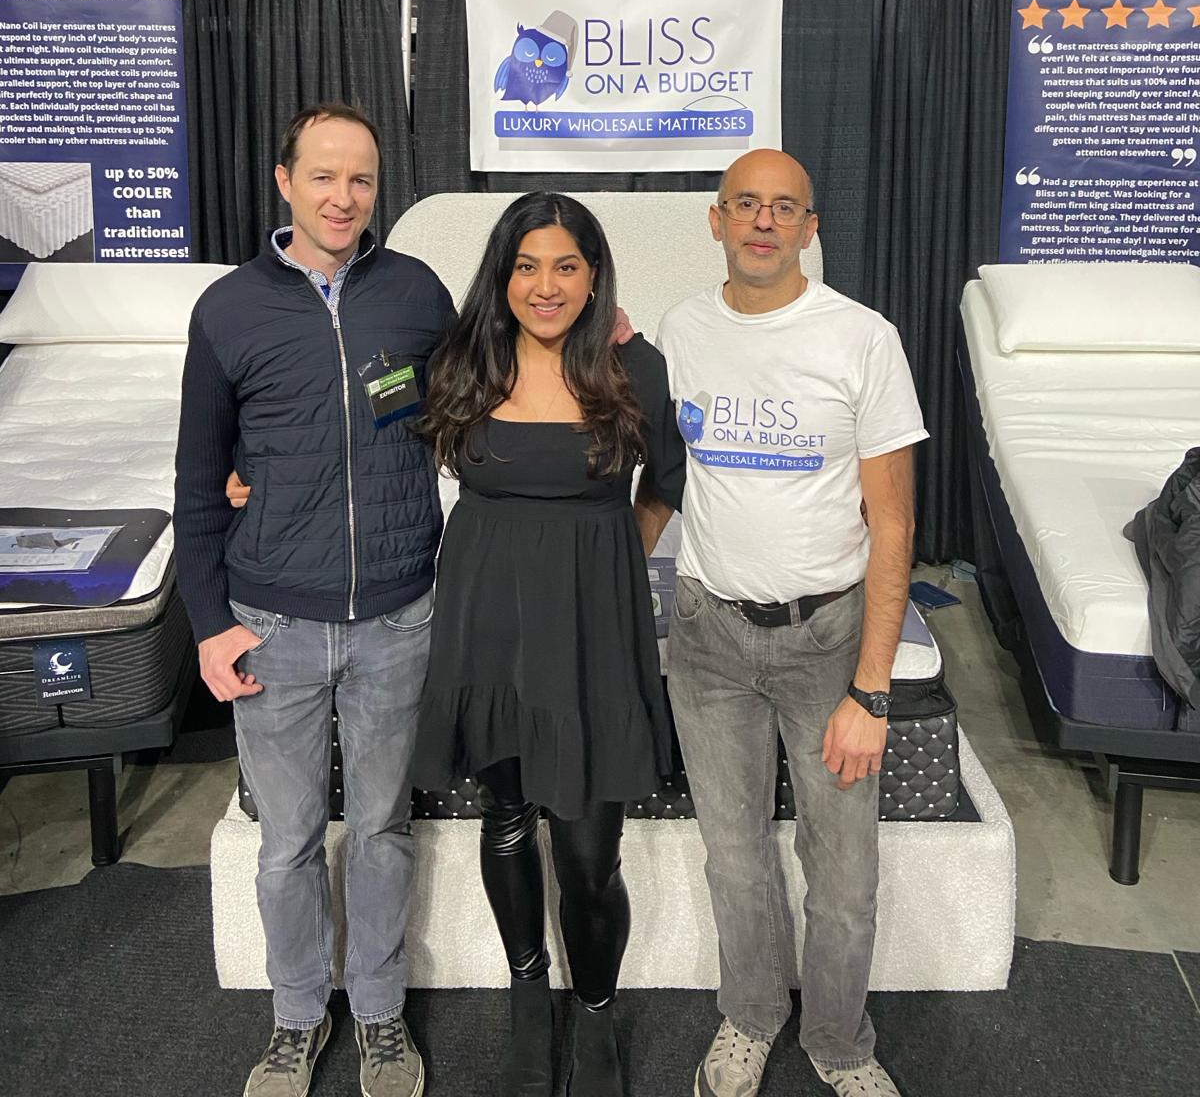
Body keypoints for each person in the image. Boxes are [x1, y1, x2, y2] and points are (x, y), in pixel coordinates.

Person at [173, 102, 453, 1097]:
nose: (345, 197)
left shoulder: (417, 294)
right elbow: (199, 479)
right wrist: (209, 622)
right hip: (273, 626)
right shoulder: (229, 308)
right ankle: (297, 1015)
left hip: (398, 617)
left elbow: (487, 395)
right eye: (325, 176)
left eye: (363, 180)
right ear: (284, 180)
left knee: (380, 828)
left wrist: (606, 341)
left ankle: (378, 1014)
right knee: (286, 841)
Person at [643, 149, 927, 1097]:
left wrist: (871, 691)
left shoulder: (862, 340)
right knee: (734, 856)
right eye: (746, 205)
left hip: (828, 643)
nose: (764, 222)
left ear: (810, 229)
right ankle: (752, 1017)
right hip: (708, 638)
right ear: (716, 223)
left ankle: (842, 1044)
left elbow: (896, 526)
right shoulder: (680, 333)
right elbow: (649, 471)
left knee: (842, 875)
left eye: (785, 209)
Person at [413, 191, 685, 1097]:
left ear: (595, 274)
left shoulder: (634, 368)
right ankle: (531, 991)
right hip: (486, 626)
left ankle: (596, 1008)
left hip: (592, 638)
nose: (546, 284)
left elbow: (666, 488)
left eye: (566, 265)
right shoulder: (462, 364)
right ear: (502, 274)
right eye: (527, 265)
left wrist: (604, 566)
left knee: (587, 854)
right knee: (505, 821)